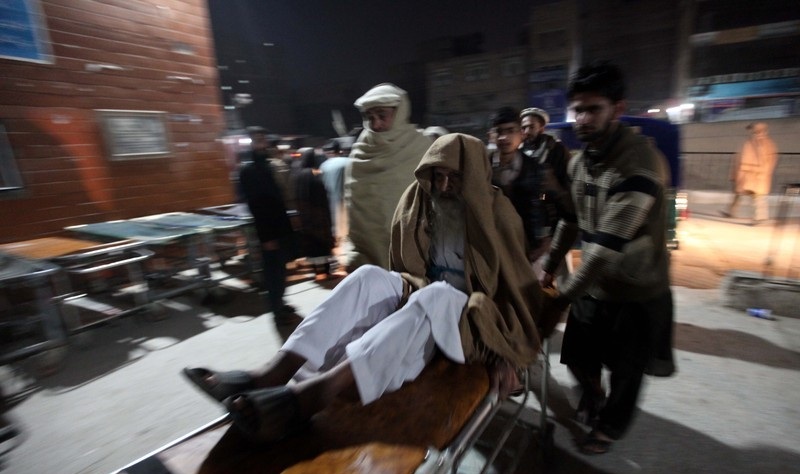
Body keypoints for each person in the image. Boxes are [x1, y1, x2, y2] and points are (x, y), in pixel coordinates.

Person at [182, 133, 558, 444]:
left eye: (454, 178)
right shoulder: (419, 201)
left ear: (473, 176)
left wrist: (508, 351)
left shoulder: (498, 213)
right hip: (425, 302)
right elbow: (405, 268)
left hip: (473, 322)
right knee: (368, 276)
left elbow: (517, 292)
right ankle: (274, 373)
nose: (443, 186)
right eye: (438, 176)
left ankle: (315, 396)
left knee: (436, 295)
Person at [540, 61, 675, 455]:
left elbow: (601, 249)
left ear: (617, 109)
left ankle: (609, 428)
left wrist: (559, 297)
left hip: (636, 291)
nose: (581, 119)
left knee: (626, 372)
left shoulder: (641, 164)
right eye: (576, 109)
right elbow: (571, 220)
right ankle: (593, 395)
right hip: (595, 287)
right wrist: (549, 268)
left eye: (592, 108)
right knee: (578, 359)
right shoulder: (580, 162)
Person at [341, 83, 433, 271]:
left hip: (416, 247)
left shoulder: (422, 147)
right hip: (370, 252)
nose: (376, 124)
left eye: (382, 116)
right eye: (370, 117)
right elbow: (355, 209)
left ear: (399, 112)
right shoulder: (360, 152)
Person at [238, 127, 297, 323]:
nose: (261, 144)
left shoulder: (268, 166)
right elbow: (256, 206)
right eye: (257, 140)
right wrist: (267, 237)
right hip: (268, 231)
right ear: (250, 144)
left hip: (279, 226)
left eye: (263, 139)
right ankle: (276, 311)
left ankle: (279, 301)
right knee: (272, 271)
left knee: (281, 269)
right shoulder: (248, 170)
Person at [720, 122, 778, 225]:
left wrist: (763, 172)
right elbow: (739, 158)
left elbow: (769, 160)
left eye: (754, 130)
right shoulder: (750, 142)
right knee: (738, 194)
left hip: (757, 176)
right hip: (746, 175)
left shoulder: (764, 144)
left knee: (757, 197)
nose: (752, 132)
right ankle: (731, 211)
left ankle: (759, 217)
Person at [291, 147, 334, 280]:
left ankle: (316, 271)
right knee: (323, 243)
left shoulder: (297, 175)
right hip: (319, 215)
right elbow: (323, 195)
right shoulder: (315, 173)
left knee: (311, 242)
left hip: (305, 216)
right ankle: (326, 271)